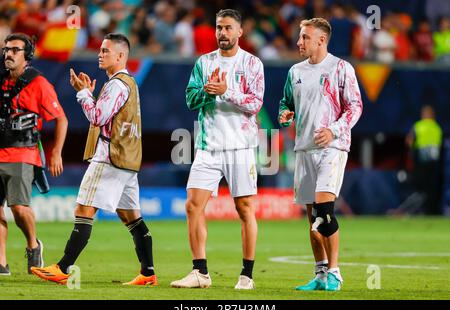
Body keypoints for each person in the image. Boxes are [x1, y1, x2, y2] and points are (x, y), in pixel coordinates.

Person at [31, 33, 158, 286]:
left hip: (109, 157)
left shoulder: (116, 85)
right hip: (127, 159)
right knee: (131, 216)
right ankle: (148, 273)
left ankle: (63, 268)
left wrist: (83, 94)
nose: (100, 54)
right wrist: (91, 92)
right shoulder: (128, 83)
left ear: (121, 56)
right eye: (100, 50)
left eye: (105, 51)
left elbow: (98, 118)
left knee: (83, 209)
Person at [170, 9, 264, 290]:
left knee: (244, 208)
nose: (222, 33)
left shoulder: (252, 63)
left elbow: (255, 103)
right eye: (218, 27)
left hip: (241, 145)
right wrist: (206, 93)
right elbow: (190, 99)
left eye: (227, 28)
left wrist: (225, 91)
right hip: (208, 145)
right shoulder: (204, 62)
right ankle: (200, 272)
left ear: (239, 31)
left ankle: (246, 275)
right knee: (192, 205)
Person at [278, 18, 362, 291]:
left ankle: (335, 272)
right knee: (312, 215)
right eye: (300, 37)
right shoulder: (295, 71)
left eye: (304, 37)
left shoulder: (341, 68)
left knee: (324, 212)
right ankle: (321, 273)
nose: (299, 42)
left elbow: (355, 107)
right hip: (304, 148)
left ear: (321, 40)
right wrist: (285, 115)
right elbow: (286, 103)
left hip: (332, 147)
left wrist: (334, 131)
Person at [0, 33, 67, 276]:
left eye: (14, 50)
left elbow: (61, 119)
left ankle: (33, 244)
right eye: (6, 49)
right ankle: (1, 262)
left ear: (26, 56)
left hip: (22, 152)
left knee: (18, 207)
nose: (8, 54)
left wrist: (56, 152)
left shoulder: (38, 83)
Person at [404, 105, 443, 214]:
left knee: (418, 190)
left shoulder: (418, 126)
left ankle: (414, 211)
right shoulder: (437, 128)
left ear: (423, 115)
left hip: (420, 164)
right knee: (431, 191)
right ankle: (430, 212)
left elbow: (409, 141)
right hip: (434, 165)